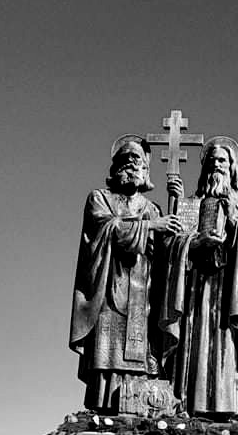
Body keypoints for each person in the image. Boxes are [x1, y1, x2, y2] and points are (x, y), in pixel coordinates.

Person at [69, 136, 185, 413]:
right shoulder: (100, 198)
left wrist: (177, 206)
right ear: (116, 166)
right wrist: (151, 226)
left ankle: (136, 406)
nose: (132, 165)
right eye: (126, 159)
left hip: (142, 291)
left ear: (146, 169)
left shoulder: (152, 208)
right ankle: (104, 408)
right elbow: (107, 228)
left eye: (138, 161)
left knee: (141, 350)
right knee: (108, 349)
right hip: (109, 285)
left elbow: (164, 255)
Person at [161, 137, 238, 416]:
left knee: (222, 345)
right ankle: (183, 405)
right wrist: (194, 243)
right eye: (212, 160)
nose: (216, 165)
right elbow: (170, 244)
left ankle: (219, 409)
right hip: (193, 287)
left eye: (222, 160)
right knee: (191, 343)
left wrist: (235, 222)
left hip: (226, 290)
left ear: (232, 167)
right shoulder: (191, 204)